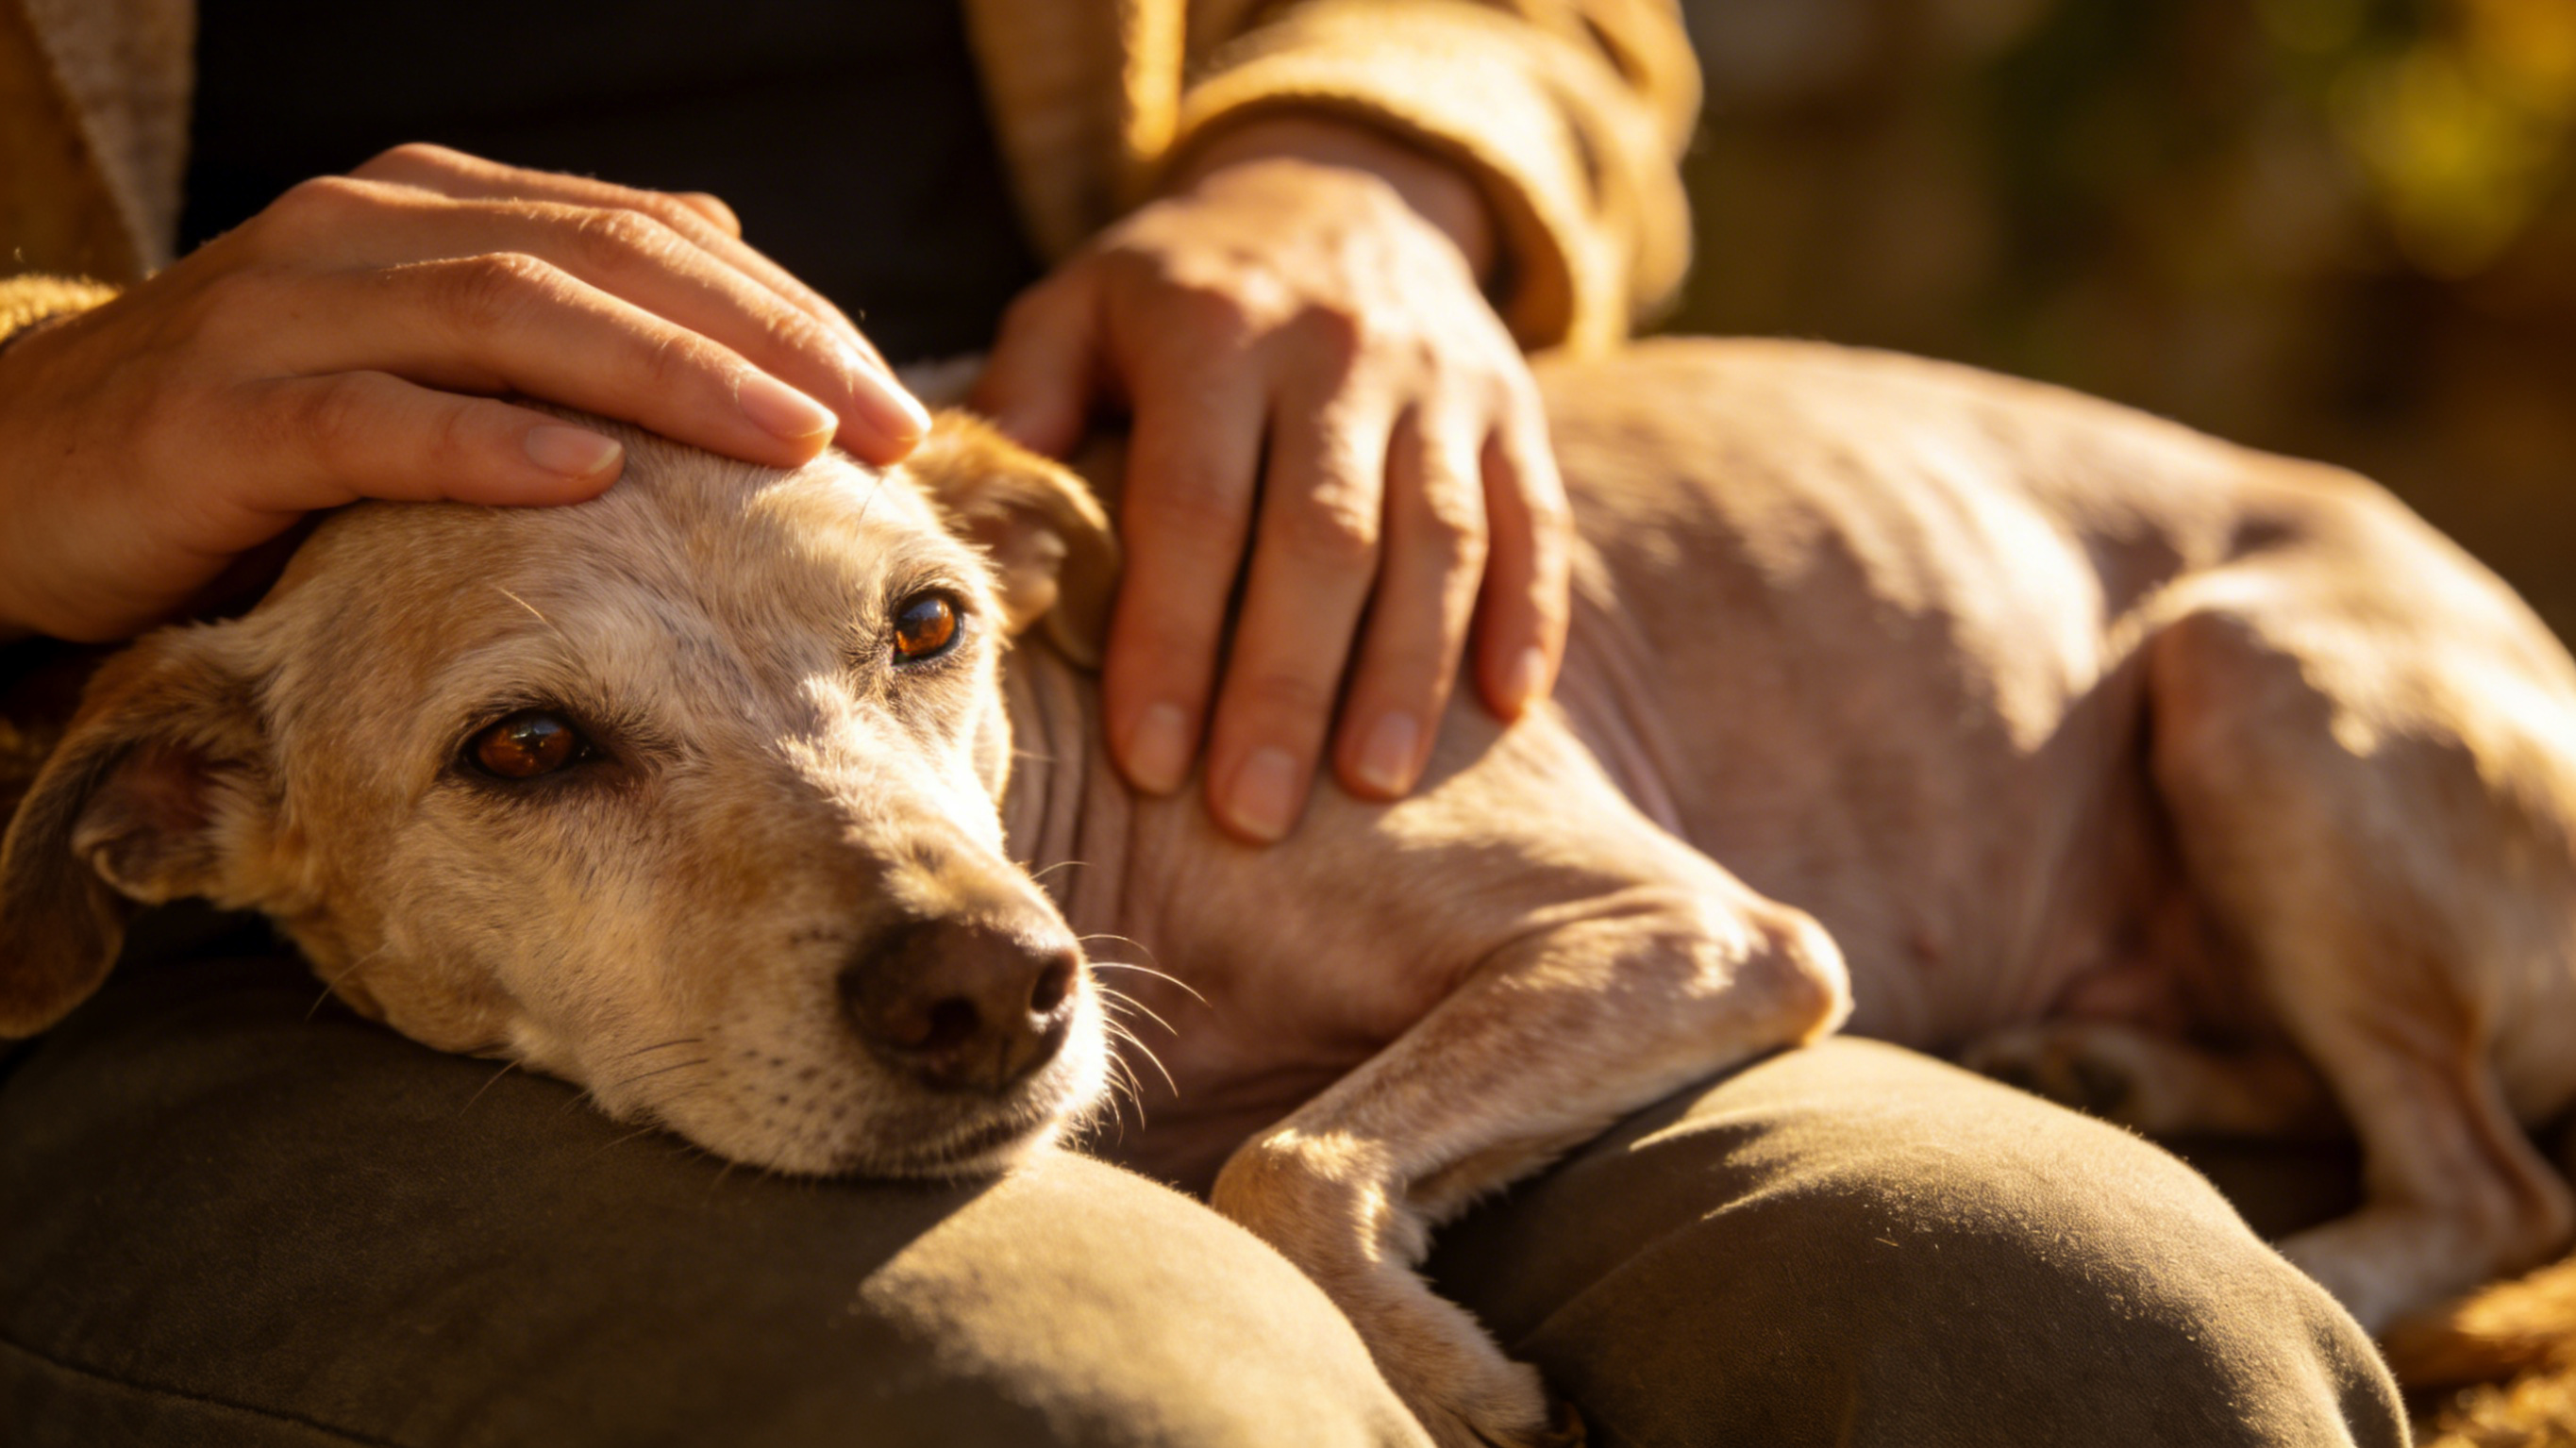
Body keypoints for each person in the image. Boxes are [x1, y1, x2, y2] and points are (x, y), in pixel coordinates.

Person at [0, 4, 2408, 1444]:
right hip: (163, 858)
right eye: (545, 753)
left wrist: (1368, 155)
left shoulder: (1082, 660)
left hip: (1051, 488)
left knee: (2088, 1342)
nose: (952, 931)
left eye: (930, 643)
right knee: (1114, 1411)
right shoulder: (210, 770)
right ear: (187, 806)